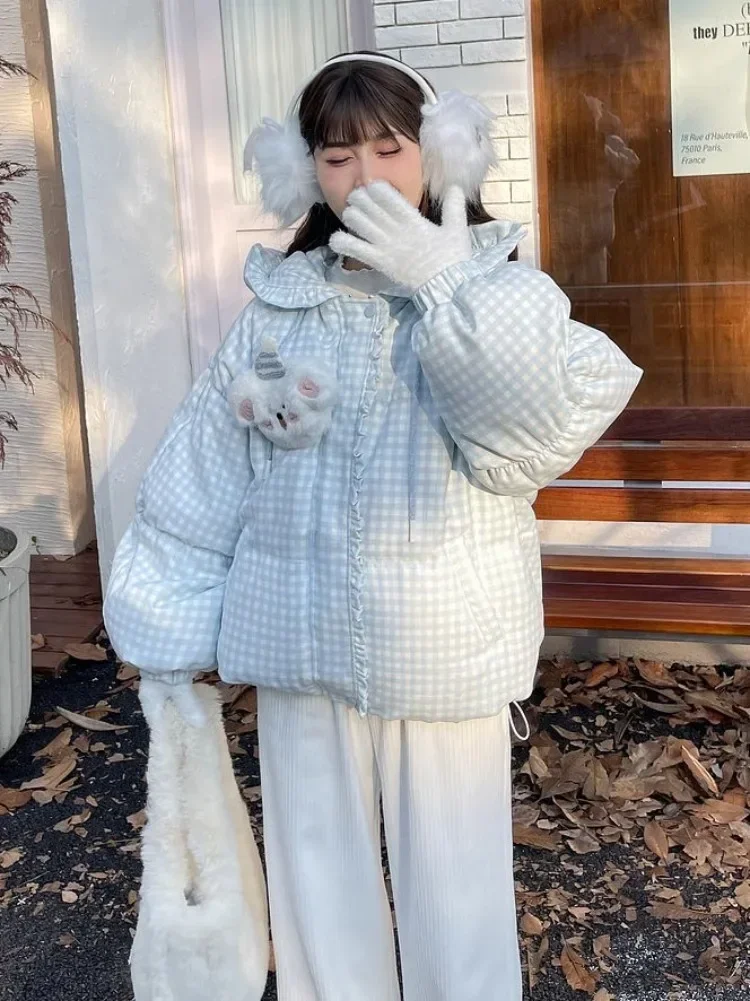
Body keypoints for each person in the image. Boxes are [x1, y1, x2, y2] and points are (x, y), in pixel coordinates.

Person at [104, 51, 642, 1001]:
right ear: (306, 168)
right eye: (337, 155)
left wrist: (446, 284)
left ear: (435, 154)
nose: (364, 177)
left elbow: (518, 445)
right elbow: (207, 472)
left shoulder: (505, 288)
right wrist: (164, 628)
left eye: (389, 149)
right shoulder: (283, 299)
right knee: (316, 877)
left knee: (455, 885)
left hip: (445, 640)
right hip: (295, 637)